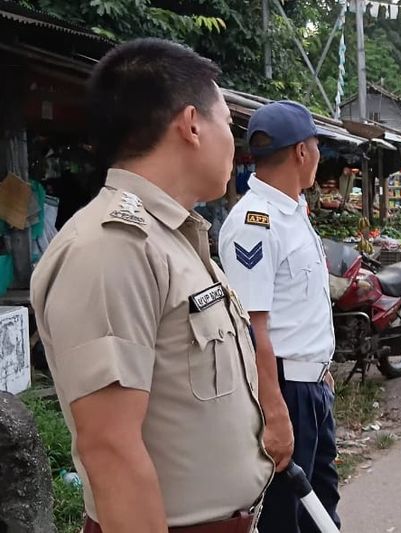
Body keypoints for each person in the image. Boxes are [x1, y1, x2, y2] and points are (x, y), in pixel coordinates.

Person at [30, 38, 272, 532]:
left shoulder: (175, 239)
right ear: (190, 125)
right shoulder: (111, 248)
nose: (235, 139)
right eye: (228, 123)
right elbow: (110, 449)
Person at [218, 100, 341, 533]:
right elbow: (253, 328)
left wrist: (320, 369)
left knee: (321, 505)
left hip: (310, 385)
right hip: (285, 391)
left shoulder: (291, 212)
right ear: (303, 152)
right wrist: (275, 412)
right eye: (317, 146)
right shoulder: (256, 222)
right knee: (286, 516)